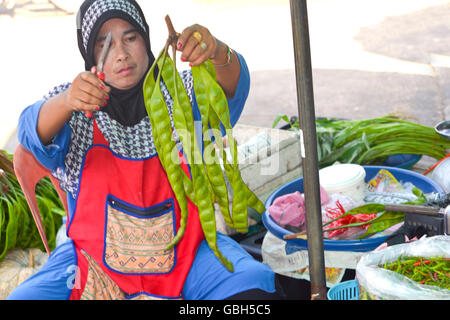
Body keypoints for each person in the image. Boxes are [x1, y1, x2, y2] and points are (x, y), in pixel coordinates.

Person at [8, 0, 284, 300]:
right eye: (104, 44)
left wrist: (216, 50)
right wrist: (66, 101)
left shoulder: (181, 93)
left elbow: (233, 86)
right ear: (89, 54)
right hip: (93, 265)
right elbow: (30, 132)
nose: (121, 54)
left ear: (146, 39)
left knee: (253, 288)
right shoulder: (76, 105)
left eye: (130, 37)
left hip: (189, 256)